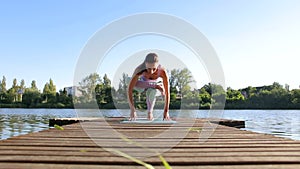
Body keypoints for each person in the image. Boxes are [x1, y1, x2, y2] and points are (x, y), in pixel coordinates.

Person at [127, 53, 170, 121]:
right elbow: (129, 90)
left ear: (158, 65)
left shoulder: (162, 71)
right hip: (143, 86)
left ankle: (150, 112)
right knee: (128, 80)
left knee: (152, 91)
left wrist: (166, 111)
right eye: (148, 69)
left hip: (156, 89)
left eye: (154, 69)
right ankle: (154, 85)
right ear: (145, 65)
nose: (151, 72)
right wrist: (132, 109)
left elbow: (167, 92)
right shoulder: (139, 69)